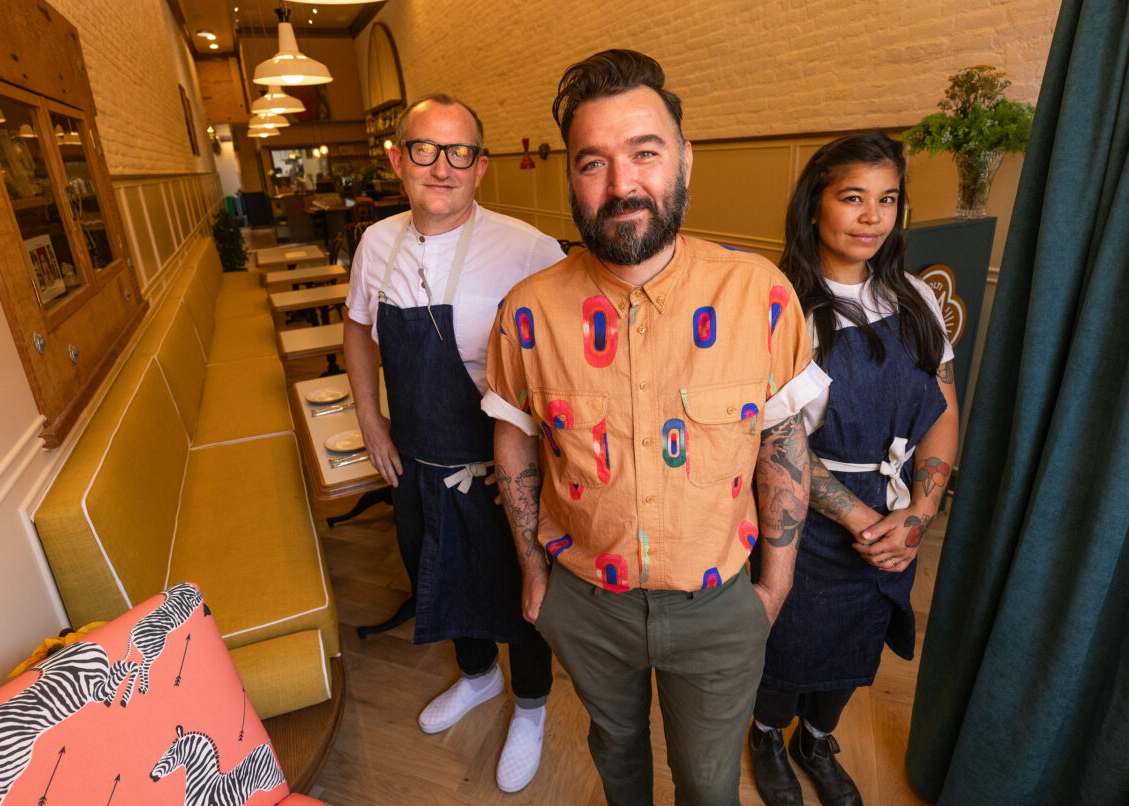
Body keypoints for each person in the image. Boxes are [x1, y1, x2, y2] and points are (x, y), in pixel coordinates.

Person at [484, 50, 830, 805]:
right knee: (616, 755)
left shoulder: (761, 296)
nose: (622, 185)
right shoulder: (527, 311)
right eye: (593, 163)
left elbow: (783, 442)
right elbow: (513, 436)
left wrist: (774, 587)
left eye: (645, 153)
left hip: (719, 606)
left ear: (685, 159)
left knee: (708, 783)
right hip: (585, 601)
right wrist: (535, 573)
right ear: (571, 177)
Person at [342, 93, 566, 793]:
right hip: (415, 461)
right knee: (436, 573)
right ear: (396, 160)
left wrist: (545, 457)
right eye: (425, 149)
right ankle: (477, 676)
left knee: (522, 590)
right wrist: (371, 420)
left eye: (459, 152)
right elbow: (357, 329)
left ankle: (530, 706)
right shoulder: (376, 244)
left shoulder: (529, 248)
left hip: (503, 467)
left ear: (480, 167)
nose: (442, 167)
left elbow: (569, 360)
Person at [746, 131, 959, 806]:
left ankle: (816, 738)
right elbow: (771, 444)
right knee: (789, 643)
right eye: (853, 198)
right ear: (815, 206)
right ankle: (766, 733)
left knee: (858, 639)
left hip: (898, 510)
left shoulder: (915, 297)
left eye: (887, 199)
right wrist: (867, 521)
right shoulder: (781, 306)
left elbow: (943, 409)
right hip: (805, 516)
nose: (872, 217)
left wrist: (920, 512)